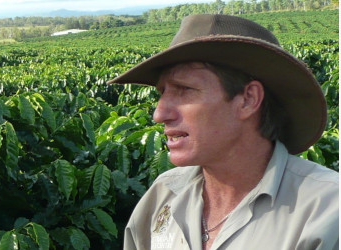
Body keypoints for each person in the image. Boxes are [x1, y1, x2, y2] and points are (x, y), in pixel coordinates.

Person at [110, 14, 339, 250]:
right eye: (163, 92)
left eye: (185, 90)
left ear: (248, 99)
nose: (159, 114)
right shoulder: (163, 194)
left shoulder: (326, 211)